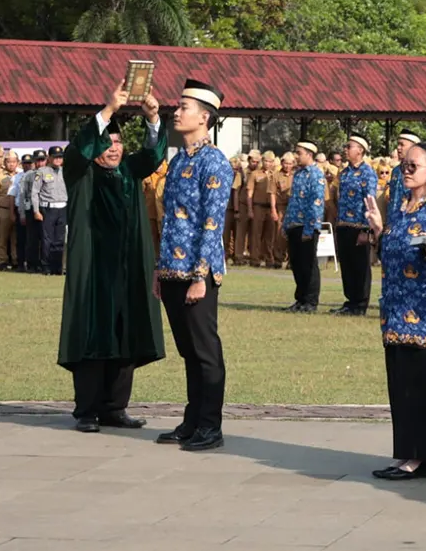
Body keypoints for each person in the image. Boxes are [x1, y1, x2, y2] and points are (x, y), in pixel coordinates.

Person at [60, 81, 167, 433]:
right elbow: (81, 148)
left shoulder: (127, 172)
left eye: (119, 141)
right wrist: (108, 111)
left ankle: (115, 407)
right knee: (93, 335)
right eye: (107, 142)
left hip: (127, 267)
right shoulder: (80, 172)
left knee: (126, 331)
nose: (113, 149)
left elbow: (153, 156)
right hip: (93, 269)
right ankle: (87, 411)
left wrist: (152, 118)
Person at [366, 143, 426, 480]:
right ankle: (405, 451)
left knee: (423, 385)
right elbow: (392, 251)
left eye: (413, 166)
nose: (406, 170)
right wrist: (380, 229)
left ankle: (421, 456)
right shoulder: (401, 208)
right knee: (401, 383)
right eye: (403, 165)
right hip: (395, 307)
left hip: (425, 311)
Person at [154, 79, 232, 452]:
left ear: (204, 117)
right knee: (188, 351)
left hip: (197, 273)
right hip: (172, 268)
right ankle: (192, 420)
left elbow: (212, 223)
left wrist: (201, 275)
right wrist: (159, 268)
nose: (177, 111)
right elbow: (171, 219)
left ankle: (210, 426)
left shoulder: (213, 161)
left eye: (184, 107)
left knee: (205, 351)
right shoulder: (180, 159)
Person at [334, 134, 378, 315]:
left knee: (360, 266)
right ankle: (350, 301)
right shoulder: (344, 173)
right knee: (347, 264)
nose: (345, 149)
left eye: (349, 146)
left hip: (359, 225)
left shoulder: (368, 173)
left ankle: (360, 303)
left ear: (360, 150)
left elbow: (370, 202)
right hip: (344, 223)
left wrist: (367, 229)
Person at [282, 142, 326, 313]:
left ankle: (310, 301)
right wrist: (286, 224)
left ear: (309, 154)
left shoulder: (316, 174)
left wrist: (310, 229)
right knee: (297, 264)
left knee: (309, 265)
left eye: (299, 153)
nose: (296, 156)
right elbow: (293, 202)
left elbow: (316, 203)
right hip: (294, 224)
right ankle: (300, 299)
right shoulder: (299, 174)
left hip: (307, 226)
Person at [32, 145, 68, 275]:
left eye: (60, 157)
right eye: (55, 157)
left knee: (59, 240)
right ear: (49, 157)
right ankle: (46, 266)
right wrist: (36, 210)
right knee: (47, 240)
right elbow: (34, 192)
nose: (58, 160)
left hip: (62, 208)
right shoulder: (42, 171)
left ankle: (57, 267)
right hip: (48, 208)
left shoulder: (65, 171)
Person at [248, 151, 275, 267]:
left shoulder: (275, 175)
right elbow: (250, 192)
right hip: (258, 206)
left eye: (270, 161)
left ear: (273, 163)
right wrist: (250, 209)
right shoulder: (255, 174)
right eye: (266, 161)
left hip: (271, 208)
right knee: (256, 234)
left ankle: (269, 259)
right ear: (262, 161)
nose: (268, 163)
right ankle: (255, 259)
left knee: (270, 235)